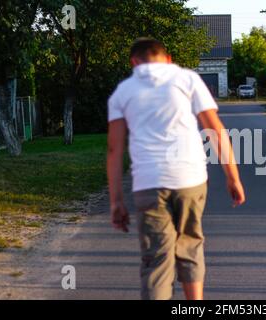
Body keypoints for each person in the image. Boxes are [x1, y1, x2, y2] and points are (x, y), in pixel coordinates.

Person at [107, 38, 246, 300]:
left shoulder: (122, 92)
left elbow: (114, 150)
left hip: (148, 183)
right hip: (190, 179)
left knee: (157, 259)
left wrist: (116, 201)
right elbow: (215, 130)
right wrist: (233, 177)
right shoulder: (188, 79)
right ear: (168, 58)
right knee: (191, 245)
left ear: (133, 62)